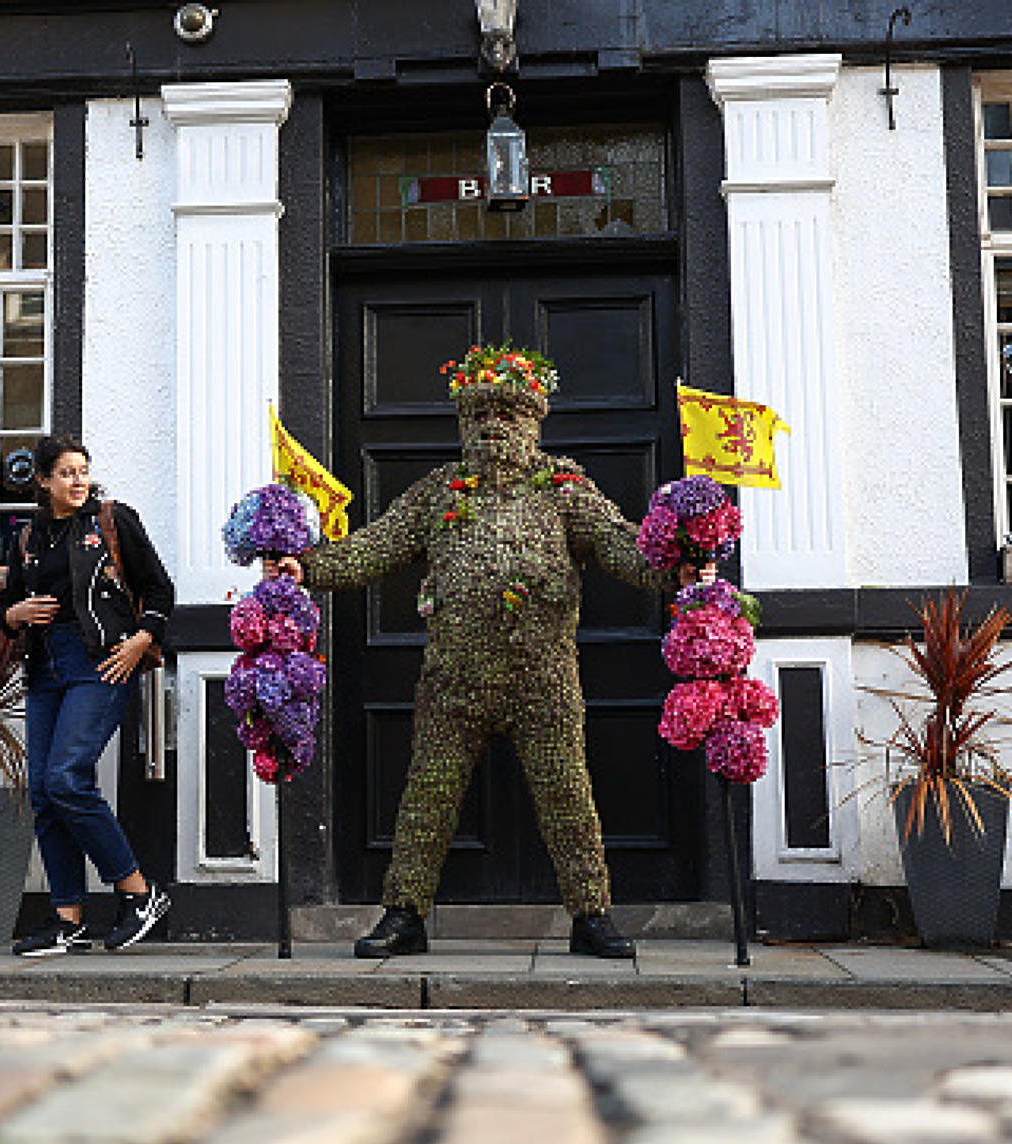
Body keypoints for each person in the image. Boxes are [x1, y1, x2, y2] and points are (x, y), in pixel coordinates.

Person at [266, 346, 702, 959]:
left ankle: (592, 916)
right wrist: (306, 567)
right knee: (427, 798)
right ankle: (404, 916)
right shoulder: (438, 493)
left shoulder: (564, 489)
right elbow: (375, 547)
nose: (494, 426)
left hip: (543, 681)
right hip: (453, 682)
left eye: (509, 414)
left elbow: (619, 545)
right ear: (463, 424)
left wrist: (674, 564)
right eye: (479, 416)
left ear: (534, 422)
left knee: (568, 797)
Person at [0, 434, 174, 956]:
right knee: (44, 793)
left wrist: (141, 640)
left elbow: (160, 588)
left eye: (83, 471)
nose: (78, 481)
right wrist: (17, 615)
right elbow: (9, 607)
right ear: (43, 480)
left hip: (100, 661)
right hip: (45, 665)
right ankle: (67, 918)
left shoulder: (112, 520)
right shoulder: (27, 537)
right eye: (66, 473)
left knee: (67, 779)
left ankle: (138, 892)